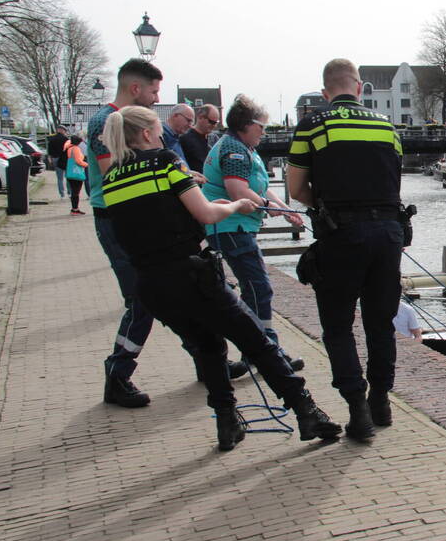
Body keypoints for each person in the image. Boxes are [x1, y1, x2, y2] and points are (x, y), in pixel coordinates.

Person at [99, 105, 340, 450]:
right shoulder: (165, 161)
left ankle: (227, 423)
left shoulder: (112, 178)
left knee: (208, 347)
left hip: (152, 284)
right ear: (149, 134)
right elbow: (206, 212)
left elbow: (143, 216)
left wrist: (189, 183)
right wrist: (234, 206)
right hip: (192, 273)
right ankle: (306, 410)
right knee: (256, 340)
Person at [286, 58, 405, 441]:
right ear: (359, 87)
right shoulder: (387, 126)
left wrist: (321, 207)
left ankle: (358, 411)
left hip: (343, 234)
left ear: (325, 92)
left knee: (338, 326)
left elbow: (295, 187)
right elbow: (393, 178)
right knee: (380, 323)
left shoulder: (312, 125)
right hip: (389, 233)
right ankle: (381, 401)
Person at [201, 94, 305, 375]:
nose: (265, 131)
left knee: (254, 289)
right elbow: (237, 190)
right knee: (259, 288)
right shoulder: (234, 150)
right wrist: (270, 207)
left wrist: (285, 209)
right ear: (246, 124)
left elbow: (259, 187)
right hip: (231, 226)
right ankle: (266, 352)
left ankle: (261, 350)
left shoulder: (243, 146)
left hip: (236, 226)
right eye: (262, 125)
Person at [87, 58, 166, 408]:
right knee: (143, 298)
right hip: (118, 220)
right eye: (153, 91)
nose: (154, 98)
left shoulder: (126, 122)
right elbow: (114, 174)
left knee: (170, 291)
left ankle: (208, 359)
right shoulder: (106, 122)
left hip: (136, 218)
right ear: (136, 89)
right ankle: (117, 374)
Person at [179, 104, 220, 174]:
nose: (214, 126)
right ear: (200, 117)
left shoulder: (214, 139)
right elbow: (180, 165)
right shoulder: (185, 139)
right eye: (211, 122)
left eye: (216, 123)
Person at [64, 135, 88, 215]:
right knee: (76, 192)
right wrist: (87, 165)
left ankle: (74, 208)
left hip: (70, 171)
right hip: (76, 173)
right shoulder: (76, 149)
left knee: (73, 191)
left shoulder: (69, 148)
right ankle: (75, 209)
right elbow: (78, 161)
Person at [48, 124, 69, 198]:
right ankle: (69, 192)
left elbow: (49, 150)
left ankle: (62, 194)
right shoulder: (66, 139)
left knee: (59, 178)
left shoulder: (52, 139)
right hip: (65, 159)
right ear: (63, 131)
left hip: (55, 158)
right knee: (68, 176)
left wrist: (50, 158)